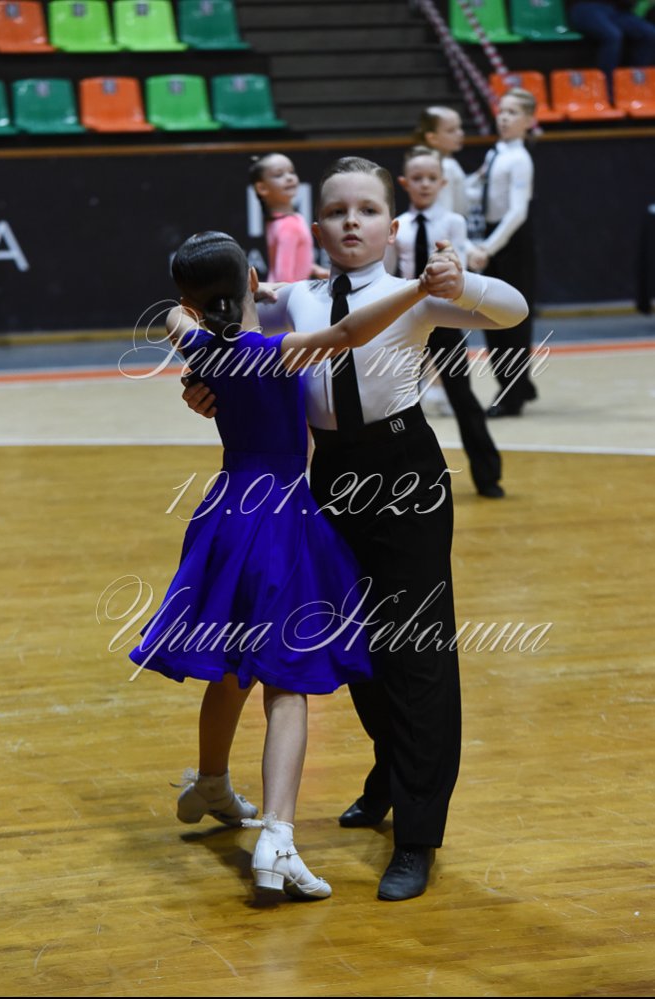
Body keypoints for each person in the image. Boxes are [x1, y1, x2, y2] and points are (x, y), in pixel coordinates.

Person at [180, 158, 528, 902]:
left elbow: (513, 310)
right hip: (330, 477)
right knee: (356, 643)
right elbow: (227, 339)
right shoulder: (293, 298)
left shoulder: (416, 295)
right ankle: (388, 776)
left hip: (404, 473)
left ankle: (419, 833)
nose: (350, 222)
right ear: (317, 224)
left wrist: (462, 281)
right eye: (338, 211)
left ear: (390, 226)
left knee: (417, 648)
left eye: (367, 210)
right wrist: (201, 386)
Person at [129, 230, 445, 901]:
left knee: (231, 666)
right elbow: (352, 332)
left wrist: (200, 324)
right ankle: (278, 836)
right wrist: (417, 289)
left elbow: (175, 316)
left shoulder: (199, 343)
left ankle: (212, 782)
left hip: (225, 515)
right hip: (279, 518)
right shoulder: (276, 352)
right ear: (251, 279)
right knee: (287, 679)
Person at [387, 145, 504, 498]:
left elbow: (460, 268)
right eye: (417, 178)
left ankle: (488, 475)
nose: (424, 184)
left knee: (462, 397)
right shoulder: (399, 226)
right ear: (405, 183)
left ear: (443, 182)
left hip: (444, 319)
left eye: (431, 178)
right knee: (397, 400)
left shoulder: (453, 222)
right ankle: (396, 478)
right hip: (408, 320)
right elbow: (389, 275)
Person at [467, 89, 538, 418]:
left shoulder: (520, 159)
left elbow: (517, 212)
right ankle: (520, 384)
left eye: (513, 112)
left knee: (511, 320)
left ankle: (512, 394)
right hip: (494, 237)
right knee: (493, 315)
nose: (504, 117)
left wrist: (488, 248)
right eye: (502, 111)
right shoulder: (496, 152)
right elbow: (474, 189)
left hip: (511, 242)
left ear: (528, 121)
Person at [248, 152, 328, 282]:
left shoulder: (279, 220)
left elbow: (294, 259)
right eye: (279, 175)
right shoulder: (288, 225)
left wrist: (315, 269)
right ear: (262, 188)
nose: (289, 178)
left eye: (291, 172)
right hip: (286, 293)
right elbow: (282, 278)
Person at [567, 0, 655, 93]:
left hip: (617, 10)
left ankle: (635, 84)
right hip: (586, 6)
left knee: (650, 34)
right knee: (612, 36)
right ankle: (605, 89)